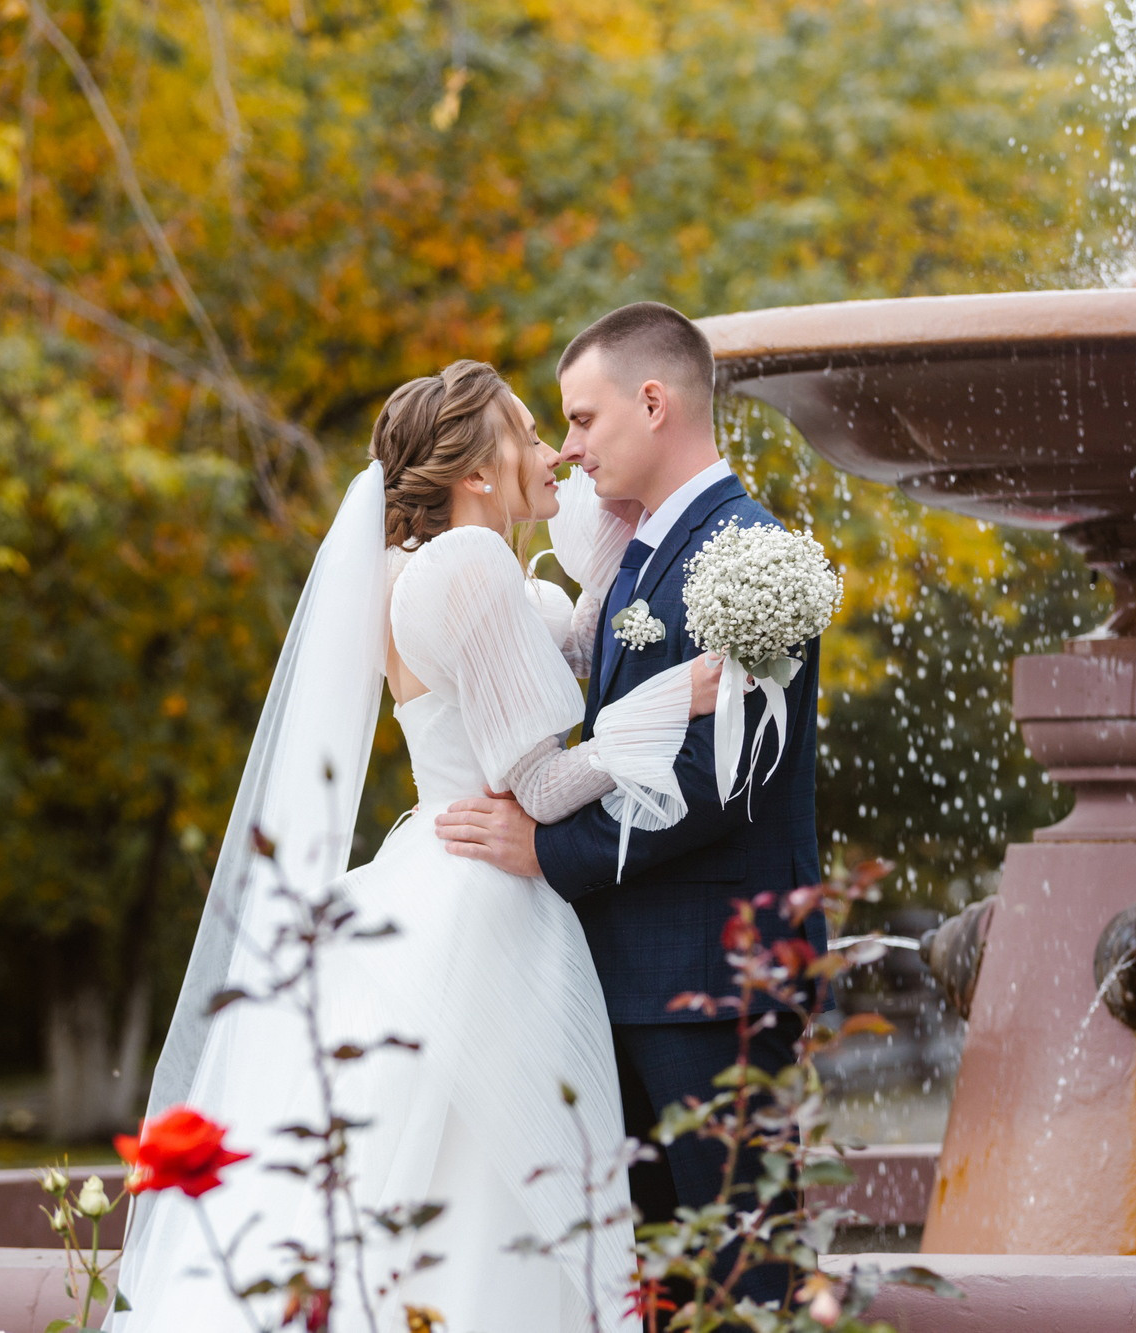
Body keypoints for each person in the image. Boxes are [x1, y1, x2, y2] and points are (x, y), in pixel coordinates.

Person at [113, 360, 724, 1332]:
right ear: (475, 471)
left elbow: (552, 664)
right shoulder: (467, 567)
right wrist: (666, 704)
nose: (546, 450)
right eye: (527, 432)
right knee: (498, 1183)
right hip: (489, 894)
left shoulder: (433, 570)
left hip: (436, 874)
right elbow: (541, 786)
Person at [435, 303, 828, 1310]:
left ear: (651, 402)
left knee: (742, 1285)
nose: (564, 450)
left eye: (579, 419)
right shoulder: (630, 554)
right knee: (648, 1289)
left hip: (714, 981)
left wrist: (547, 851)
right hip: (623, 978)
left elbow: (714, 778)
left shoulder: (754, 555)